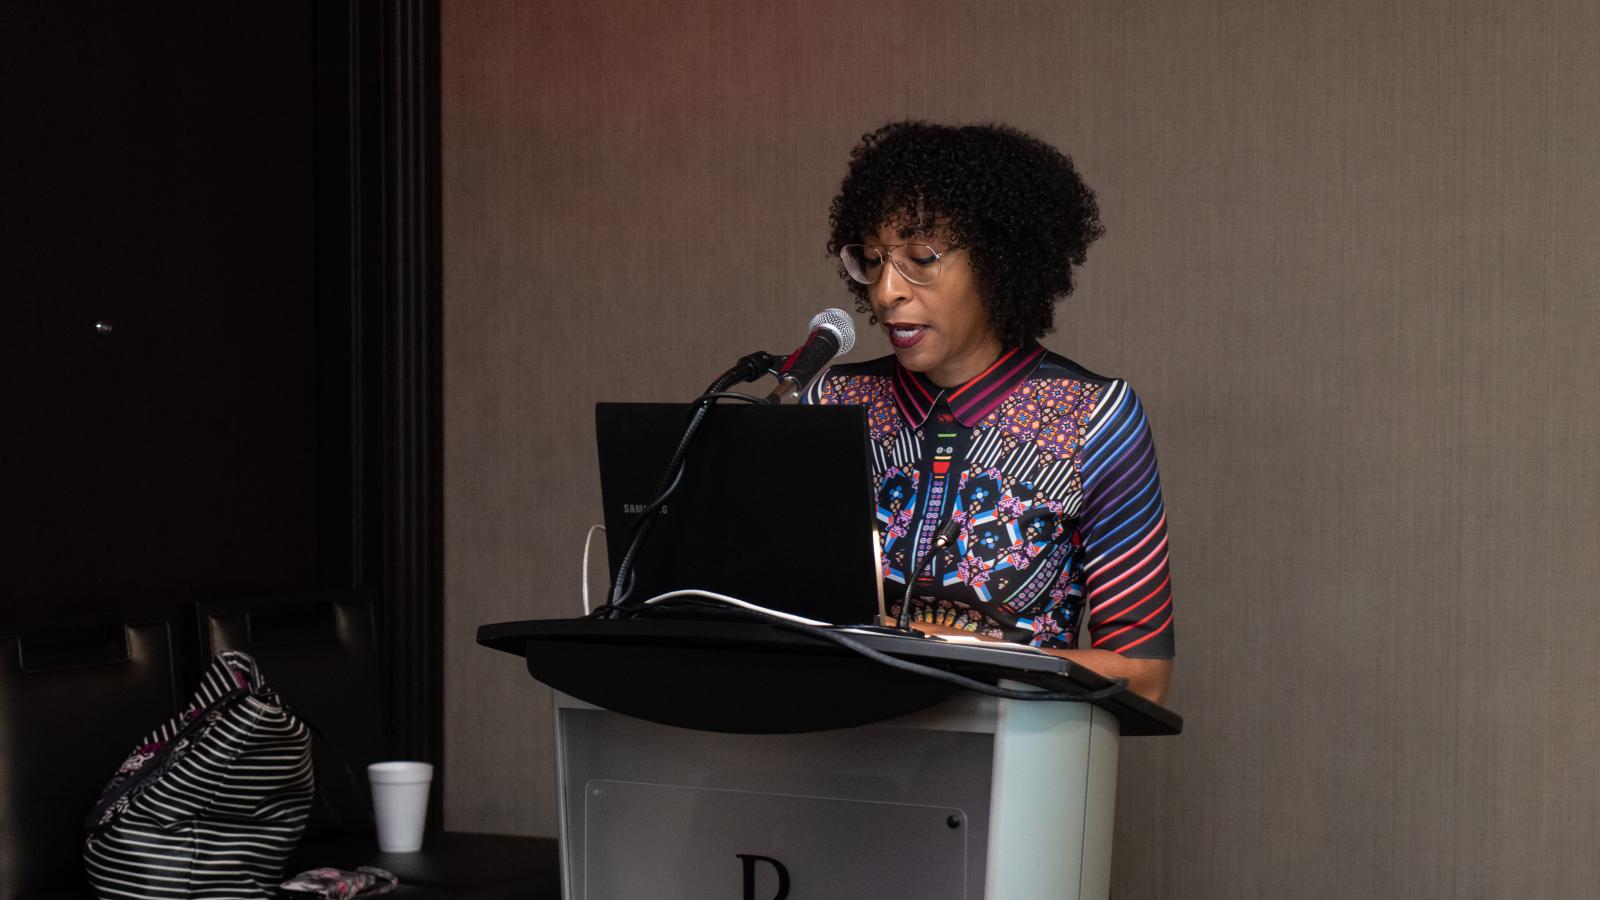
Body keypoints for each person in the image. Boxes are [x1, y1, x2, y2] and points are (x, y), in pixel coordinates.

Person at [805, 121, 1174, 703]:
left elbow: (1144, 677)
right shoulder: (828, 404)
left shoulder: (1094, 419)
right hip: (830, 744)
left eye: (921, 257)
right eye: (873, 260)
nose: (885, 291)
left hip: (1012, 754)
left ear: (999, 262)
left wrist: (939, 650)